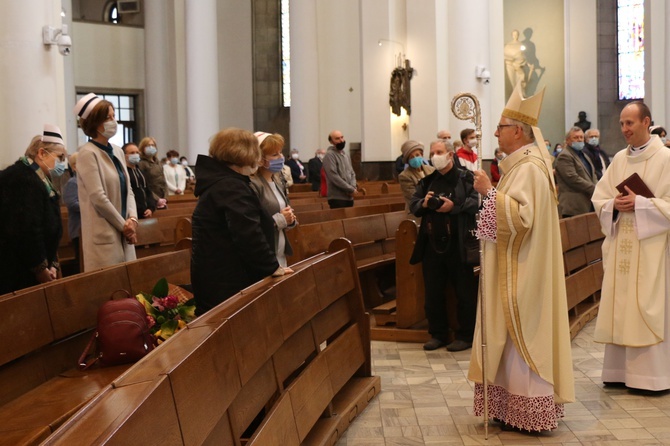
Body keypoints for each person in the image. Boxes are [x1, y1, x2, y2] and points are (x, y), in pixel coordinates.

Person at [468, 84, 574, 432]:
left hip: (522, 270)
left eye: (500, 127)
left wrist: (489, 192)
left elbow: (522, 220)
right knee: (510, 338)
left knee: (521, 336)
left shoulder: (528, 168)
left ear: (518, 131)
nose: (496, 133)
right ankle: (511, 407)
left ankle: (526, 411)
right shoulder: (523, 164)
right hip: (516, 263)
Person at [592, 101, 670, 392]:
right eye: (622, 123)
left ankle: (651, 377)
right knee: (620, 306)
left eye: (630, 123)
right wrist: (614, 204)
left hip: (651, 249)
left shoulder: (666, 159)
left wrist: (640, 203)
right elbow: (599, 199)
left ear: (646, 122)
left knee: (646, 307)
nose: (624, 129)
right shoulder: (619, 160)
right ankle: (617, 372)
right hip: (622, 243)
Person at [191, 128, 293, 315]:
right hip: (225, 280)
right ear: (243, 153)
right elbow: (247, 232)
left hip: (218, 275)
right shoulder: (230, 186)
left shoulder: (225, 181)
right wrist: (272, 267)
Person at [409, 139, 478, 352]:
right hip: (432, 245)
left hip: (459, 244)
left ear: (450, 155)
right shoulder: (427, 181)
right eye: (432, 152)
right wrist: (424, 203)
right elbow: (413, 205)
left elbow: (476, 202)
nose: (435, 155)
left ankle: (466, 335)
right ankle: (438, 334)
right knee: (433, 292)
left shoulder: (466, 178)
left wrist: (453, 207)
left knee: (465, 291)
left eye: (439, 152)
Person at [74, 93, 139, 271]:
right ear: (95, 122)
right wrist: (124, 226)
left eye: (113, 116)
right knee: (110, 291)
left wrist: (132, 219)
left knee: (130, 289)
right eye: (107, 118)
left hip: (125, 234)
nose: (113, 121)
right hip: (104, 237)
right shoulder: (87, 153)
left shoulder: (117, 151)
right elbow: (98, 197)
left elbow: (129, 191)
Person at [0, 125, 66, 294]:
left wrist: (52, 262)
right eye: (60, 157)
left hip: (29, 266)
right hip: (17, 270)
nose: (61, 164)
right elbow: (27, 229)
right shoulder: (23, 178)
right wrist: (41, 268)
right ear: (42, 153)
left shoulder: (38, 178)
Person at [250, 132, 297, 267]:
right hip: (265, 255)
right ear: (259, 158)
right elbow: (252, 224)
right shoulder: (253, 184)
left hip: (280, 252)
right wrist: (282, 219)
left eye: (280, 153)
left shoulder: (277, 180)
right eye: (275, 154)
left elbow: (284, 209)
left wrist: (290, 218)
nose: (281, 157)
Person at [554, 126, 597, 217]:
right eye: (576, 137)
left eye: (581, 137)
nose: (579, 140)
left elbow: (592, 175)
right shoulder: (565, 156)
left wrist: (598, 187)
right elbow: (572, 178)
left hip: (587, 203)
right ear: (568, 140)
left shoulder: (584, 155)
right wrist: (594, 188)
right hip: (573, 206)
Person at [323, 130, 357, 208]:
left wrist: (353, 187)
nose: (341, 140)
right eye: (337, 138)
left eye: (342, 137)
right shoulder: (329, 155)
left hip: (349, 197)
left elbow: (352, 173)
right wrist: (350, 189)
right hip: (337, 198)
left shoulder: (346, 155)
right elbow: (333, 176)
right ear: (331, 141)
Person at [397, 140, 435, 211]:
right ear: (408, 160)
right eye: (412, 157)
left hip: (433, 208)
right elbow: (414, 197)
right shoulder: (404, 176)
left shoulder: (432, 170)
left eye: (417, 155)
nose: (415, 158)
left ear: (422, 155)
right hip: (417, 211)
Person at [124, 142, 157, 219]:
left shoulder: (140, 171)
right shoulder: (124, 173)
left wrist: (151, 208)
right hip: (132, 214)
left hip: (146, 212)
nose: (135, 155)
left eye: (137, 152)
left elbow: (148, 191)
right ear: (124, 155)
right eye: (132, 153)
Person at [63, 152, 81, 273]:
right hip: (79, 229)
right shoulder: (72, 183)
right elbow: (72, 204)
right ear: (74, 167)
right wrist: (92, 206)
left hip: (88, 228)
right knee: (80, 261)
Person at [138, 137, 168, 209]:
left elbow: (164, 181)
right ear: (143, 148)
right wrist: (157, 199)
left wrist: (166, 197)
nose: (151, 147)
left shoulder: (158, 162)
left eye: (153, 145)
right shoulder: (141, 163)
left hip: (163, 197)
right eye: (148, 146)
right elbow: (143, 184)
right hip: (151, 199)